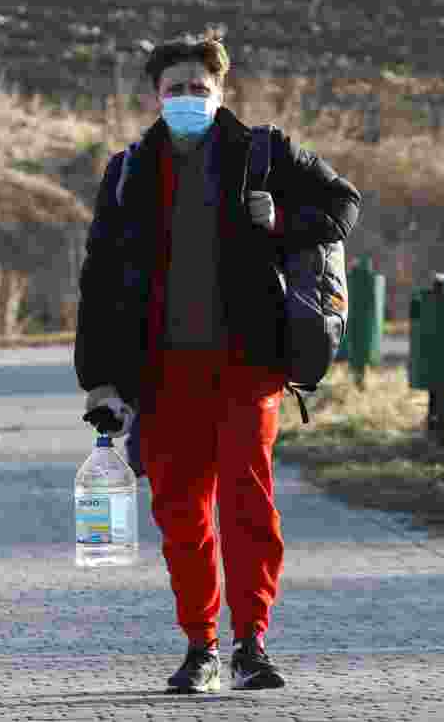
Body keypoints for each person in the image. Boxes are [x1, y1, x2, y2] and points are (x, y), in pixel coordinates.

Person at [74, 34, 361, 693]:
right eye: (175, 89)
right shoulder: (127, 171)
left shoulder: (264, 153)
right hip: (164, 378)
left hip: (246, 369)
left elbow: (344, 204)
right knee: (180, 513)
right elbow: (99, 281)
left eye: (199, 89)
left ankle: (251, 643)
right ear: (153, 96)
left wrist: (284, 218)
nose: (186, 100)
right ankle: (199, 646)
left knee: (247, 509)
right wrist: (101, 379)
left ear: (221, 93)